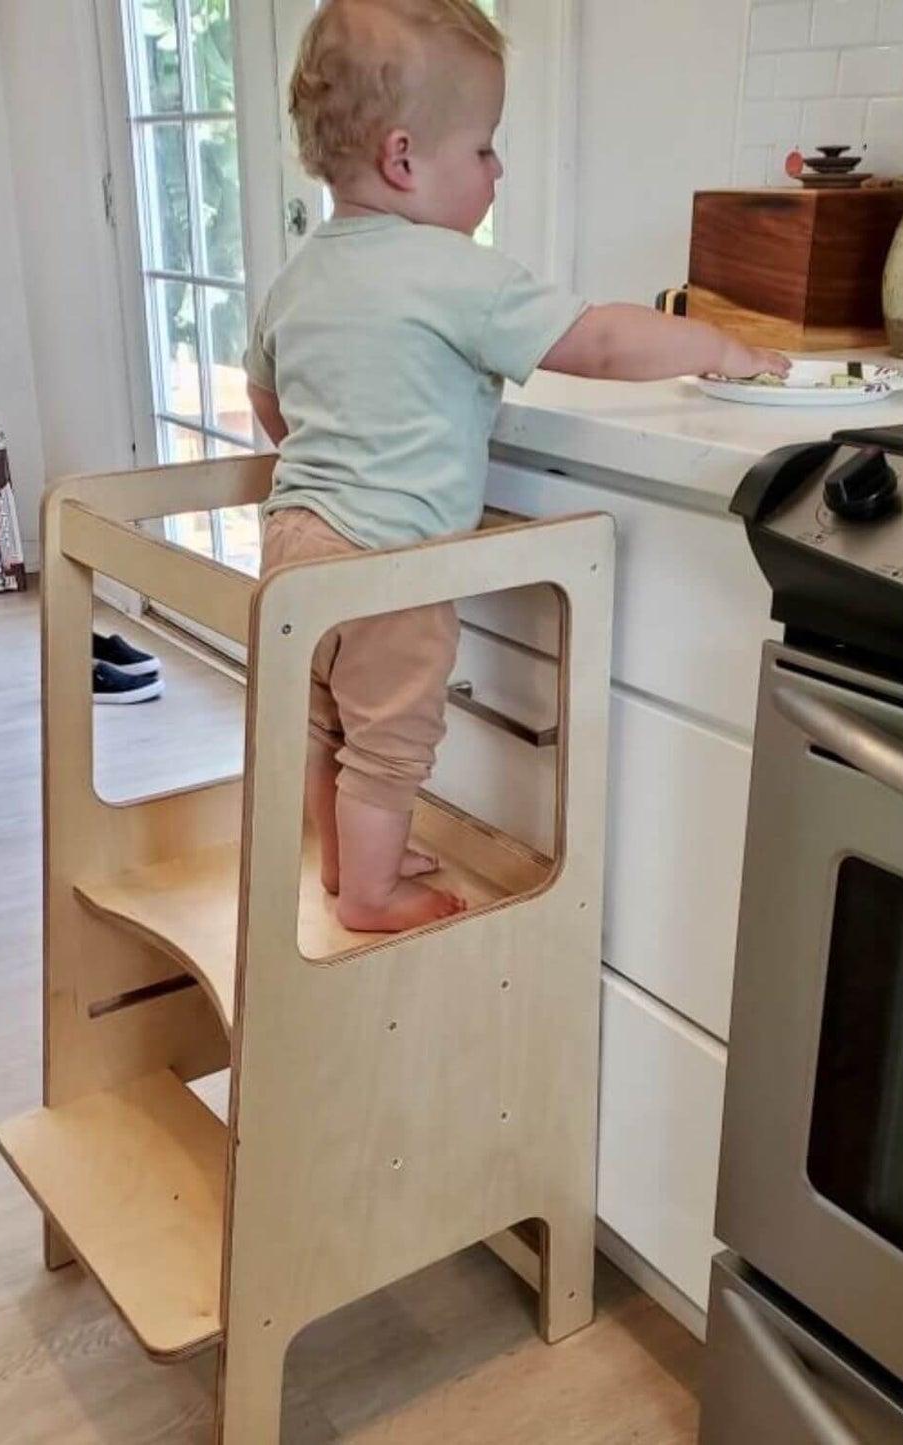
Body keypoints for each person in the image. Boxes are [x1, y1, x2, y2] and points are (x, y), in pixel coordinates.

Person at [247, 0, 788, 934]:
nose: (498, 171)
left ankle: (344, 858)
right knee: (392, 741)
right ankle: (370, 893)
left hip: (294, 541)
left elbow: (270, 402)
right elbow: (601, 344)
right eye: (485, 149)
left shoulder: (299, 277)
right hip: (391, 562)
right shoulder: (458, 273)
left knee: (323, 721)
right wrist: (718, 345)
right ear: (404, 158)